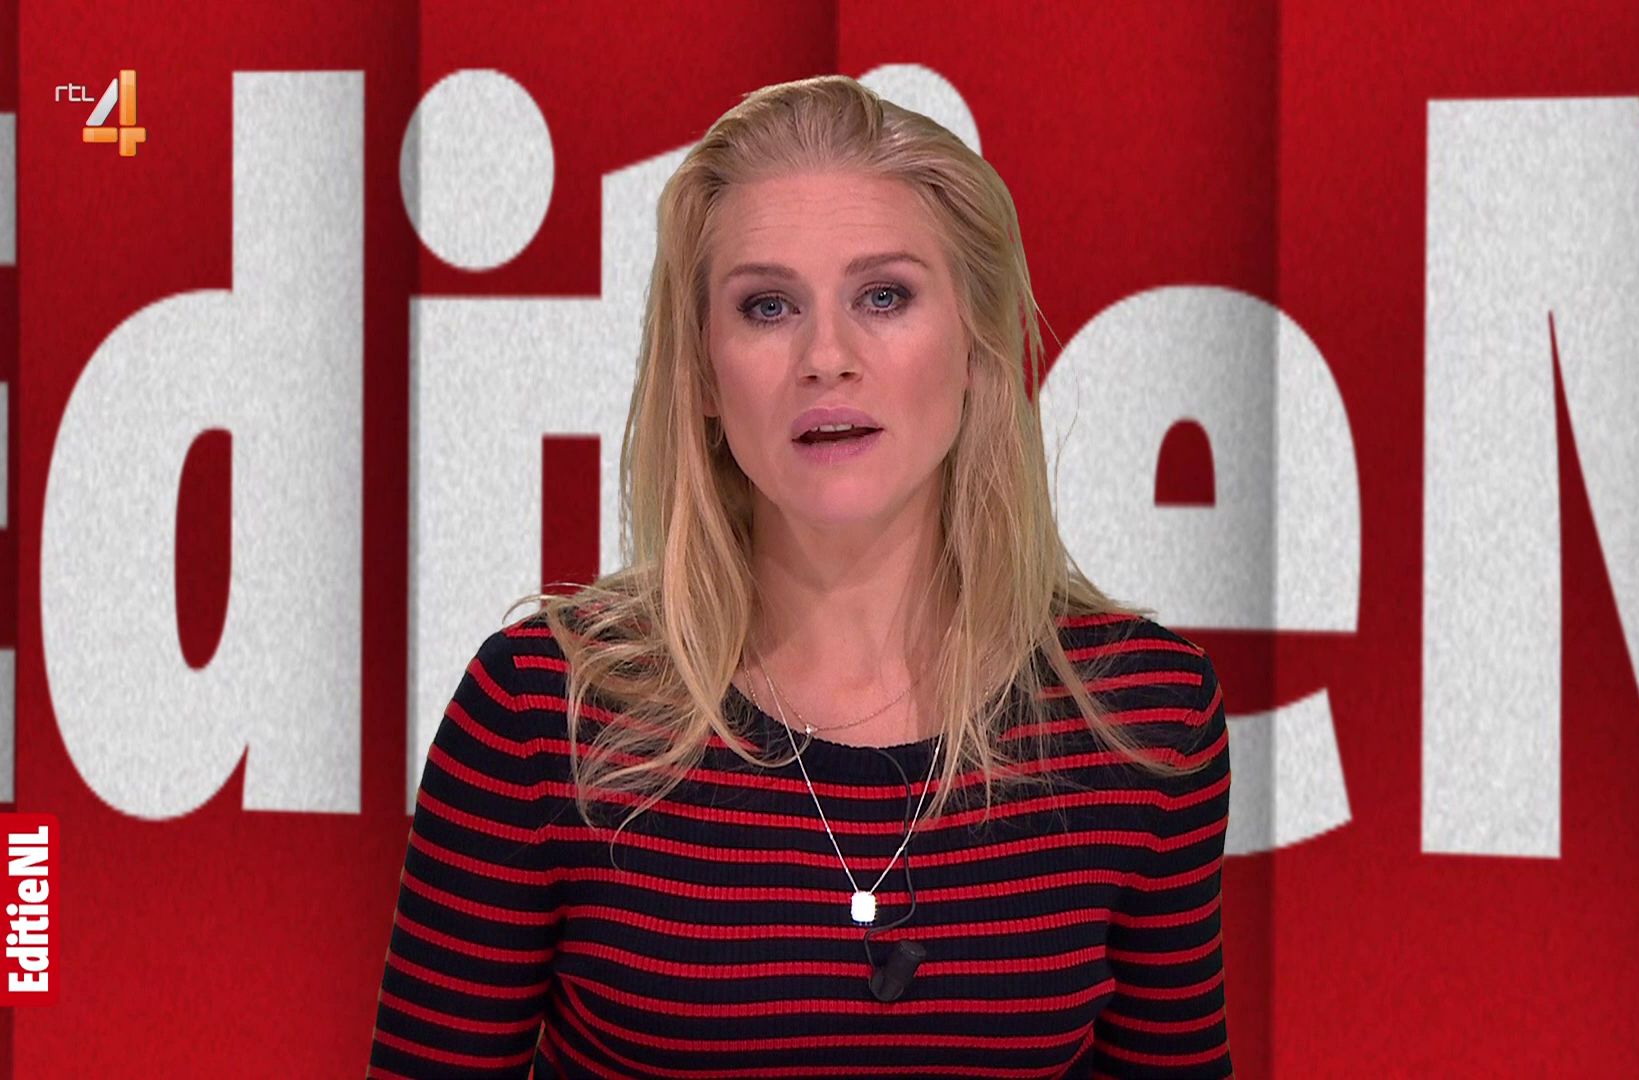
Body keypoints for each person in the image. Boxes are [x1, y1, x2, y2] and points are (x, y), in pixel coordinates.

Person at [369, 74, 1233, 1079]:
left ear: (977, 345)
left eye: (884, 296)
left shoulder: (1142, 719)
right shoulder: (544, 715)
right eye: (768, 306)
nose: (827, 356)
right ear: (703, 372)